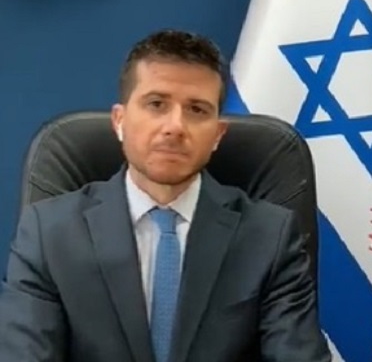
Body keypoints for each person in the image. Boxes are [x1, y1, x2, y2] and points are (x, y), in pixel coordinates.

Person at [0, 29, 332, 361]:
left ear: (218, 135)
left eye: (197, 110)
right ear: (119, 121)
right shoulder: (50, 233)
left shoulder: (270, 237)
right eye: (156, 104)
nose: (175, 127)